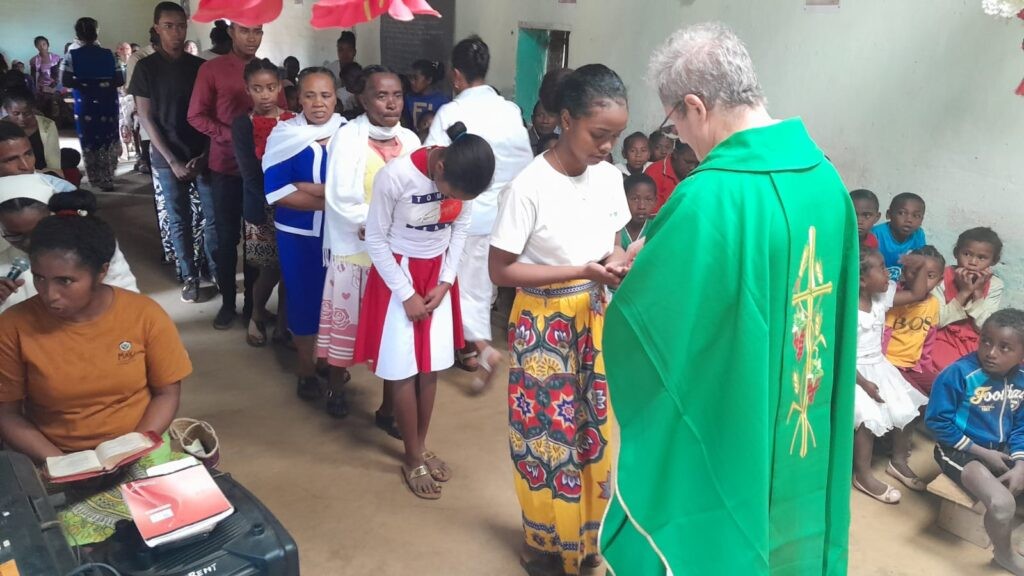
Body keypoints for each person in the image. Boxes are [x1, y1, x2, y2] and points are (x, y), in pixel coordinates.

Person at [600, 23, 858, 575]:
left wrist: (634, 274)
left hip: (738, 414)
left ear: (696, 105)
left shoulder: (711, 194)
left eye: (676, 124)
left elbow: (659, 325)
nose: (682, 141)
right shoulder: (825, 178)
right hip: (801, 400)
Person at [488, 64, 630, 575]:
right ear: (566, 119)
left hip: (595, 316)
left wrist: (617, 259)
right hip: (543, 327)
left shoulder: (611, 178)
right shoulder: (529, 187)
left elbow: (613, 239)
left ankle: (588, 539)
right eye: (599, 135)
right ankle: (542, 541)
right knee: (547, 438)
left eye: (615, 136)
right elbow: (501, 269)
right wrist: (580, 269)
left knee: (595, 432)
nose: (608, 147)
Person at [0, 189, 190, 546]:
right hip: (56, 455)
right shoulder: (13, 326)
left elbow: (167, 392)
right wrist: (60, 463)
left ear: (102, 272)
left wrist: (136, 445)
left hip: (140, 442)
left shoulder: (143, 315)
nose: (48, 293)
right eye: (40, 278)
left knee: (170, 529)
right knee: (62, 549)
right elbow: (8, 414)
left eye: (65, 281)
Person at [354, 121, 494, 500]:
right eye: (452, 193)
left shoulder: (463, 182)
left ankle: (421, 442)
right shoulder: (396, 177)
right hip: (397, 276)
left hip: (437, 279)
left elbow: (459, 230)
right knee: (403, 369)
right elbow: (378, 239)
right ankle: (412, 456)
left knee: (430, 367)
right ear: (440, 167)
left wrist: (446, 281)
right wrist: (405, 293)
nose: (455, 200)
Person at [426, 35, 533, 391]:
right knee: (480, 283)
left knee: (463, 283)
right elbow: (523, 162)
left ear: (456, 75)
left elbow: (433, 164)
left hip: (467, 211)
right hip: (505, 213)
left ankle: (481, 350)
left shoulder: (452, 113)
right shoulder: (510, 110)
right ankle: (471, 348)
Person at [318, 65, 419, 420]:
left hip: (396, 256)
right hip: (356, 252)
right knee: (345, 327)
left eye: (397, 95)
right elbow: (341, 196)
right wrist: (374, 224)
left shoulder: (412, 141)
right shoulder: (349, 138)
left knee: (393, 333)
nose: (391, 103)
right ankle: (335, 385)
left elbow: (419, 192)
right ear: (363, 99)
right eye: (381, 95)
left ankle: (389, 409)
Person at [262, 67, 344, 400]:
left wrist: (309, 189)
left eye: (325, 95)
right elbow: (277, 192)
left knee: (337, 301)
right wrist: (331, 197)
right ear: (297, 98)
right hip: (298, 235)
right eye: (309, 95)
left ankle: (329, 360)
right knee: (303, 299)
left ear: (336, 97)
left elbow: (359, 188)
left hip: (341, 237)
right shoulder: (284, 134)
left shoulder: (348, 133)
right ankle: (306, 369)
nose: (318, 103)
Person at [189, 21, 274, 329]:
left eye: (258, 31)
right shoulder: (212, 70)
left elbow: (285, 118)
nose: (252, 38)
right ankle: (227, 303)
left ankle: (255, 305)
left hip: (260, 173)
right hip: (224, 167)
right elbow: (196, 115)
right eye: (245, 31)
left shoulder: (270, 73)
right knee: (226, 240)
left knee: (256, 242)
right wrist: (234, 137)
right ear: (231, 33)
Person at [927, 309, 1024, 575]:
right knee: (1003, 504)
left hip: (1000, 450)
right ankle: (1004, 556)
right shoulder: (958, 374)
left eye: (1004, 347)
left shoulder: (1022, 379)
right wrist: (982, 452)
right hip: (958, 450)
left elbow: (1020, 427)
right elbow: (937, 422)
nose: (991, 352)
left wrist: (1019, 462)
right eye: (986, 341)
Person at [131, 1, 215, 303]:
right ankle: (188, 275)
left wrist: (205, 154)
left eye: (181, 25)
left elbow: (210, 114)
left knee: (211, 217)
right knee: (178, 218)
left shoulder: (200, 67)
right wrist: (172, 160)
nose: (176, 32)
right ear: (157, 29)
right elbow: (145, 117)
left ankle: (212, 269)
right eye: (169, 26)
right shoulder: (146, 68)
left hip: (201, 154)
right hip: (167, 158)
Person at [853, 249, 931, 505]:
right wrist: (863, 383)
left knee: (906, 407)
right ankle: (863, 474)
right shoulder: (848, 309)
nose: (889, 274)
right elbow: (839, 354)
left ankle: (898, 461)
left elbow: (918, 293)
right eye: (882, 268)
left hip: (879, 365)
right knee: (866, 418)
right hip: (854, 372)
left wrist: (919, 267)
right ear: (863, 280)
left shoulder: (880, 298)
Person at [0, 176, 138, 313]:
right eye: (15, 235)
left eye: (38, 230)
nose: (29, 243)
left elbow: (124, 292)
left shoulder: (91, 239)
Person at [232, 58, 293, 348]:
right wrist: (275, 201)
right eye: (258, 89)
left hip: (295, 205)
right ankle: (257, 314)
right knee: (269, 270)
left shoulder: (294, 120)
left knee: (290, 270)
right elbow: (249, 173)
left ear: (280, 86)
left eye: (270, 87)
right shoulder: (242, 124)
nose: (265, 94)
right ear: (248, 90)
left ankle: (283, 325)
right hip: (262, 206)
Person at [61, 17, 124, 191]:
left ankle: (95, 177)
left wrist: (87, 84)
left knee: (89, 137)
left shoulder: (71, 56)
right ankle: (108, 177)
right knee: (108, 136)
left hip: (86, 103)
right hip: (108, 103)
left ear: (77, 35)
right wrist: (102, 84)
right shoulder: (109, 54)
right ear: (97, 32)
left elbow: (65, 80)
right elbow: (119, 80)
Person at [931, 227, 1005, 370]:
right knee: (947, 368)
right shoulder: (941, 276)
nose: (973, 262)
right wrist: (964, 292)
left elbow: (987, 327)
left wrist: (977, 293)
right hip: (942, 337)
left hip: (977, 340)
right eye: (967, 254)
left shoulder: (995, 284)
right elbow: (936, 321)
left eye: (981, 257)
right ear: (956, 253)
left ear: (994, 261)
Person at [884, 245, 945, 396]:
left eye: (930, 276)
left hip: (914, 365)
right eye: (915, 273)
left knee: (943, 390)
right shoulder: (895, 299)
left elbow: (928, 339)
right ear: (904, 273)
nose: (922, 281)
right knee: (916, 399)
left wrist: (926, 368)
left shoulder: (933, 303)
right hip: (890, 363)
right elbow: (883, 337)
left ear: (939, 280)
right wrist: (881, 371)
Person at [1, 89, 62, 176]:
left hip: (42, 175)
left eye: (27, 113)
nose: (21, 118)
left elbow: (54, 165)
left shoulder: (47, 126)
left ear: (33, 109)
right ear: (6, 110)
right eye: (16, 113)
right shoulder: (1, 128)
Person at [872, 192, 927, 281]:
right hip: (878, 283)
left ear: (921, 220)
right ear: (889, 214)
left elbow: (921, 263)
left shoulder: (919, 234)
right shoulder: (876, 234)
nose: (909, 219)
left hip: (904, 283)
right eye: (902, 213)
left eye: (916, 216)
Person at [643, 138, 698, 213]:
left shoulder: (700, 171)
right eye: (688, 162)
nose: (692, 167)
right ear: (675, 154)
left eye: (697, 163)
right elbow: (651, 213)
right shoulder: (654, 173)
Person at [402, 59, 449, 131]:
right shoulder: (408, 98)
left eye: (415, 78)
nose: (411, 82)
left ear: (429, 80)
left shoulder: (442, 101)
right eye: (410, 77)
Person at [619, 173, 656, 251]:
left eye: (648, 199)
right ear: (623, 199)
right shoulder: (615, 228)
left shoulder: (656, 228)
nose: (641, 206)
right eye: (635, 199)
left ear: (655, 201)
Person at [29, 36, 62, 120]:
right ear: (36, 47)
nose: (42, 46)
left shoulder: (56, 58)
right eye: (39, 45)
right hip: (41, 87)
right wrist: (38, 88)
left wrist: (52, 87)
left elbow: (58, 75)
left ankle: (55, 122)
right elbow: (33, 77)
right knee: (41, 102)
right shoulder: (34, 60)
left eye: (44, 44)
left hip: (55, 85)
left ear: (47, 45)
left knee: (53, 101)